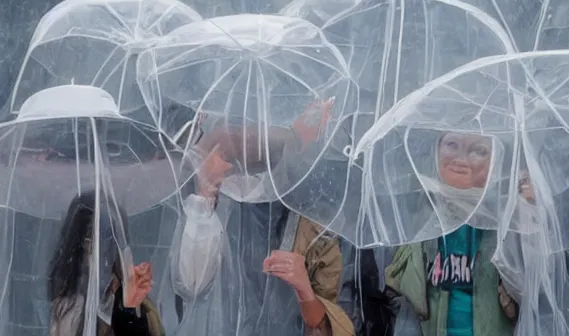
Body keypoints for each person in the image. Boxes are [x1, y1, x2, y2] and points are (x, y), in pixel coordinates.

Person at [170, 99, 356, 336]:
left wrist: (304, 290)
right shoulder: (201, 202)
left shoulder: (311, 219)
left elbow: (332, 325)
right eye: (238, 126)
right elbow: (190, 286)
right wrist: (205, 195)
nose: (248, 135)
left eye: (256, 127)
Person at [383, 132, 519, 336]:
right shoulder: (415, 212)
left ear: (495, 160)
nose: (461, 159)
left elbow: (532, 295)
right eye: (452, 145)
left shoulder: (510, 217)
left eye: (478, 150)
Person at [48, 191, 164, 336]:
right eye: (90, 237)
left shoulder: (139, 298)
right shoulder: (68, 307)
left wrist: (129, 311)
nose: (102, 250)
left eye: (109, 237)